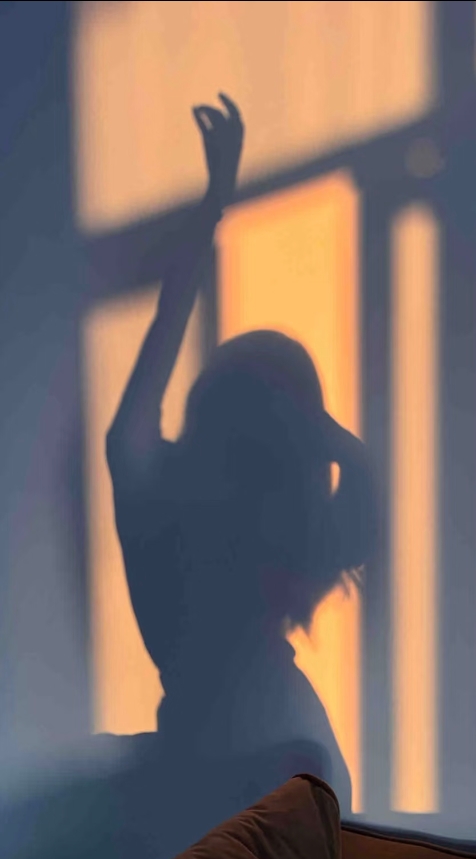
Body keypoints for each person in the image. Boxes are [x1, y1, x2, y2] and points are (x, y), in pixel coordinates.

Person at [106, 94, 376, 814]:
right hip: (282, 768)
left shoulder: (166, 509)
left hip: (234, 773)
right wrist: (316, 429)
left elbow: (137, 404)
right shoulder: (272, 529)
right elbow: (364, 493)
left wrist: (212, 210)